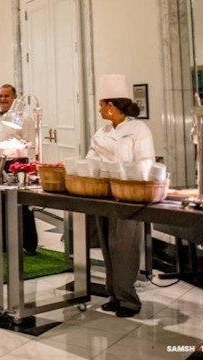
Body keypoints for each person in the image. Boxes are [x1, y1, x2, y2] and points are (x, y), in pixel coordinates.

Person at [88, 74, 155, 318]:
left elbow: (145, 162)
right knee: (107, 246)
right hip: (104, 194)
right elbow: (91, 158)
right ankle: (114, 295)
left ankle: (129, 300)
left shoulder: (138, 129)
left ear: (111, 106)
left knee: (124, 247)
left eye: (101, 105)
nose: (99, 110)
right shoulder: (102, 132)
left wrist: (120, 172)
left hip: (129, 195)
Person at [0, 84, 39, 255]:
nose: (3, 99)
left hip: (17, 165)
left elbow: (31, 144)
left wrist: (31, 169)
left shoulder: (22, 118)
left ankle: (29, 244)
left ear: (14, 97)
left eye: (6, 96)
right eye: (1, 96)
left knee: (21, 205)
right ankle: (1, 242)